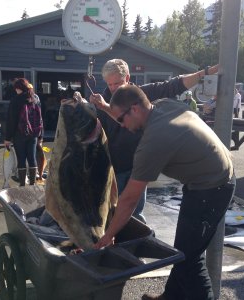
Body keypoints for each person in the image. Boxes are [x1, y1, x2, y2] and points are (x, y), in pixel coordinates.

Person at [94, 85, 235, 300]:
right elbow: (130, 120)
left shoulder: (154, 141)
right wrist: (106, 109)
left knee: (190, 259)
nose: (122, 127)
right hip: (204, 180)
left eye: (121, 120)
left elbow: (129, 199)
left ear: (134, 109)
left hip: (212, 189)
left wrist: (108, 236)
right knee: (183, 250)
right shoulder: (163, 106)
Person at [90, 59, 218, 223]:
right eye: (110, 84)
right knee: (110, 212)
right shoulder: (100, 103)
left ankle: (137, 243)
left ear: (128, 78)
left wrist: (205, 73)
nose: (114, 88)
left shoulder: (142, 95)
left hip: (137, 167)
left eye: (118, 83)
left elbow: (174, 85)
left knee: (133, 214)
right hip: (112, 169)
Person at [4, 78, 43, 186]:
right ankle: (32, 184)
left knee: (21, 159)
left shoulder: (15, 100)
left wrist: (7, 138)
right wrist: (40, 136)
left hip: (19, 134)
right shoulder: (35, 99)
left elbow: (11, 120)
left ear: (17, 88)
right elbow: (40, 119)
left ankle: (22, 184)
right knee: (32, 157)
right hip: (34, 135)